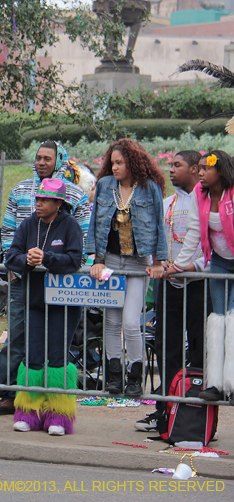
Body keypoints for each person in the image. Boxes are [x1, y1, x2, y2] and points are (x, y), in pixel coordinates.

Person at [0, 141, 91, 416]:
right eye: (38, 158)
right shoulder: (21, 189)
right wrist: (18, 263)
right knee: (18, 336)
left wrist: (55, 262)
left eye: (48, 158)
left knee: (56, 343)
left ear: (59, 162)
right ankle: (11, 395)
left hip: (62, 284)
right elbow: (8, 230)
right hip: (24, 280)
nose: (41, 162)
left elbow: (82, 240)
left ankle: (53, 403)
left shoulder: (75, 196)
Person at [87, 139, 167, 397]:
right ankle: (114, 376)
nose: (115, 167)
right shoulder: (104, 185)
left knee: (131, 322)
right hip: (110, 260)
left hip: (138, 262)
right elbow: (95, 223)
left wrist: (158, 261)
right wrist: (96, 260)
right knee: (111, 321)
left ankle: (135, 376)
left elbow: (158, 226)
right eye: (112, 163)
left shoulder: (149, 188)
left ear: (133, 163)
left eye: (120, 162)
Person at [5, 179, 84, 436]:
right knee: (34, 356)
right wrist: (27, 260)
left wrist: (47, 259)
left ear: (58, 203)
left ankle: (58, 417)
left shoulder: (70, 225)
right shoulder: (29, 224)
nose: (38, 204)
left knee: (58, 357)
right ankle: (28, 413)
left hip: (65, 303)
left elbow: (74, 259)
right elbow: (11, 256)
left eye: (44, 200)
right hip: (35, 300)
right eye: (37, 199)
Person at [135, 151, 207, 431]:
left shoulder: (205, 204)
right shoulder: (166, 204)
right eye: (171, 164)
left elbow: (212, 247)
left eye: (177, 165)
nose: (171, 169)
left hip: (199, 285)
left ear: (193, 169)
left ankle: (196, 418)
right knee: (168, 348)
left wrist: (193, 267)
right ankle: (165, 412)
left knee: (200, 349)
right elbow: (156, 242)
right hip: (169, 284)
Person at [165, 150, 234, 403]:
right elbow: (194, 231)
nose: (201, 173)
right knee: (218, 321)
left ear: (221, 171)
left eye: (206, 169)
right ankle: (216, 383)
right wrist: (179, 266)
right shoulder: (199, 194)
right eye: (201, 168)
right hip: (218, 263)